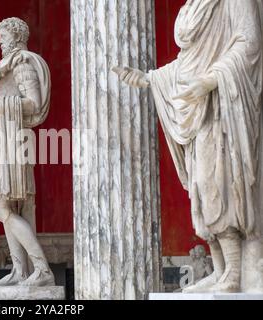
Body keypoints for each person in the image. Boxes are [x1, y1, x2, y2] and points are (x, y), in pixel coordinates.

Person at [114, 0, 263, 293]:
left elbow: (249, 43)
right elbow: (188, 61)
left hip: (222, 107)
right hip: (196, 109)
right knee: (199, 188)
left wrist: (210, 81)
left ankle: (235, 271)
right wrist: (150, 79)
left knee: (217, 184)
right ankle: (219, 269)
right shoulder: (193, 5)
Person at [0, 17, 55, 286]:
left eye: (3, 36)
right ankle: (20, 270)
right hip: (3, 141)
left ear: (17, 38)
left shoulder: (21, 64)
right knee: (10, 206)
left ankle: (41, 270)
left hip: (14, 143)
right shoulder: (7, 66)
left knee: (2, 207)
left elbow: (33, 103)